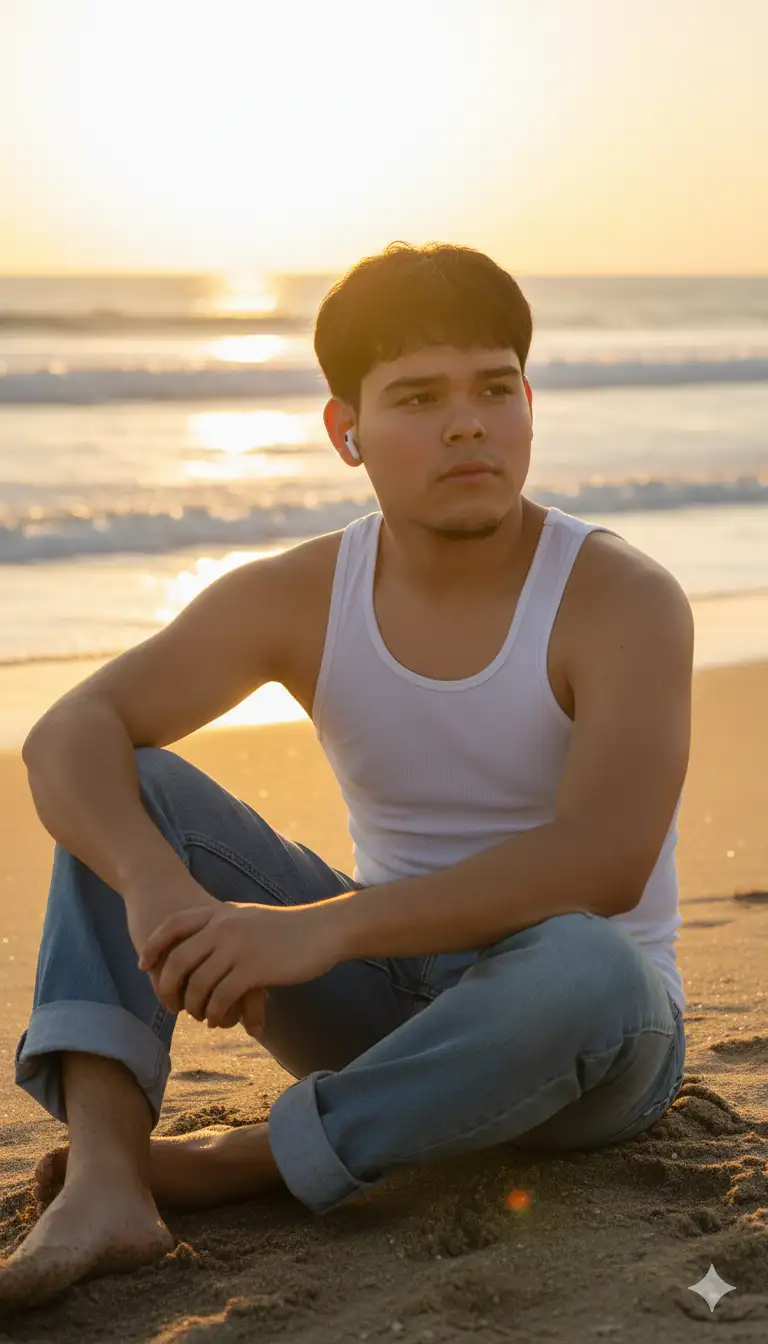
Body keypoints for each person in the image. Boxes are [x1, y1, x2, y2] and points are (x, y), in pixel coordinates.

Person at [2, 242, 692, 1309]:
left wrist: (325, 926)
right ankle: (104, 1177)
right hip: (389, 1012)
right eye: (418, 396)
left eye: (495, 388)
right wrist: (157, 885)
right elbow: (65, 734)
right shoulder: (305, 592)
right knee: (125, 778)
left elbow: (606, 860)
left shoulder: (619, 597)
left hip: (591, 1042)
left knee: (589, 963)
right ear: (347, 432)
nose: (467, 421)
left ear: (529, 403)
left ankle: (253, 1160)